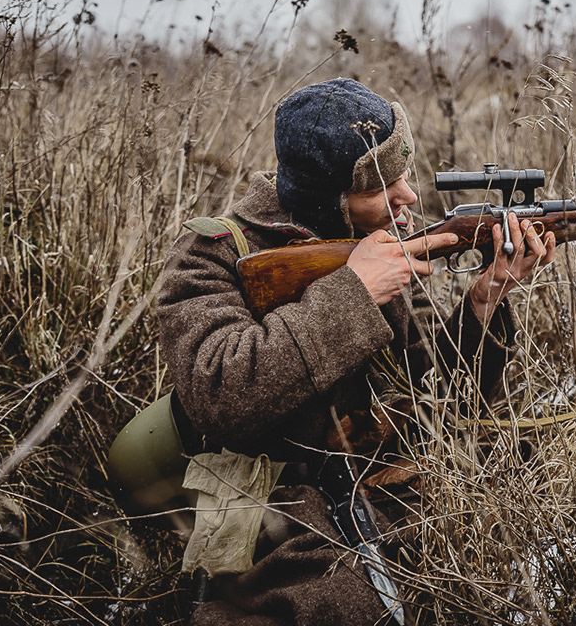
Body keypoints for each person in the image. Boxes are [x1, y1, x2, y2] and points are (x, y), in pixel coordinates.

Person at [157, 78, 555, 626]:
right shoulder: (215, 256)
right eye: (381, 185)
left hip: (388, 489)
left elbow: (438, 399)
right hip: (277, 509)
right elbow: (220, 394)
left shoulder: (378, 241)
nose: (408, 197)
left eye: (405, 174)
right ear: (329, 198)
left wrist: (485, 301)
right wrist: (355, 292)